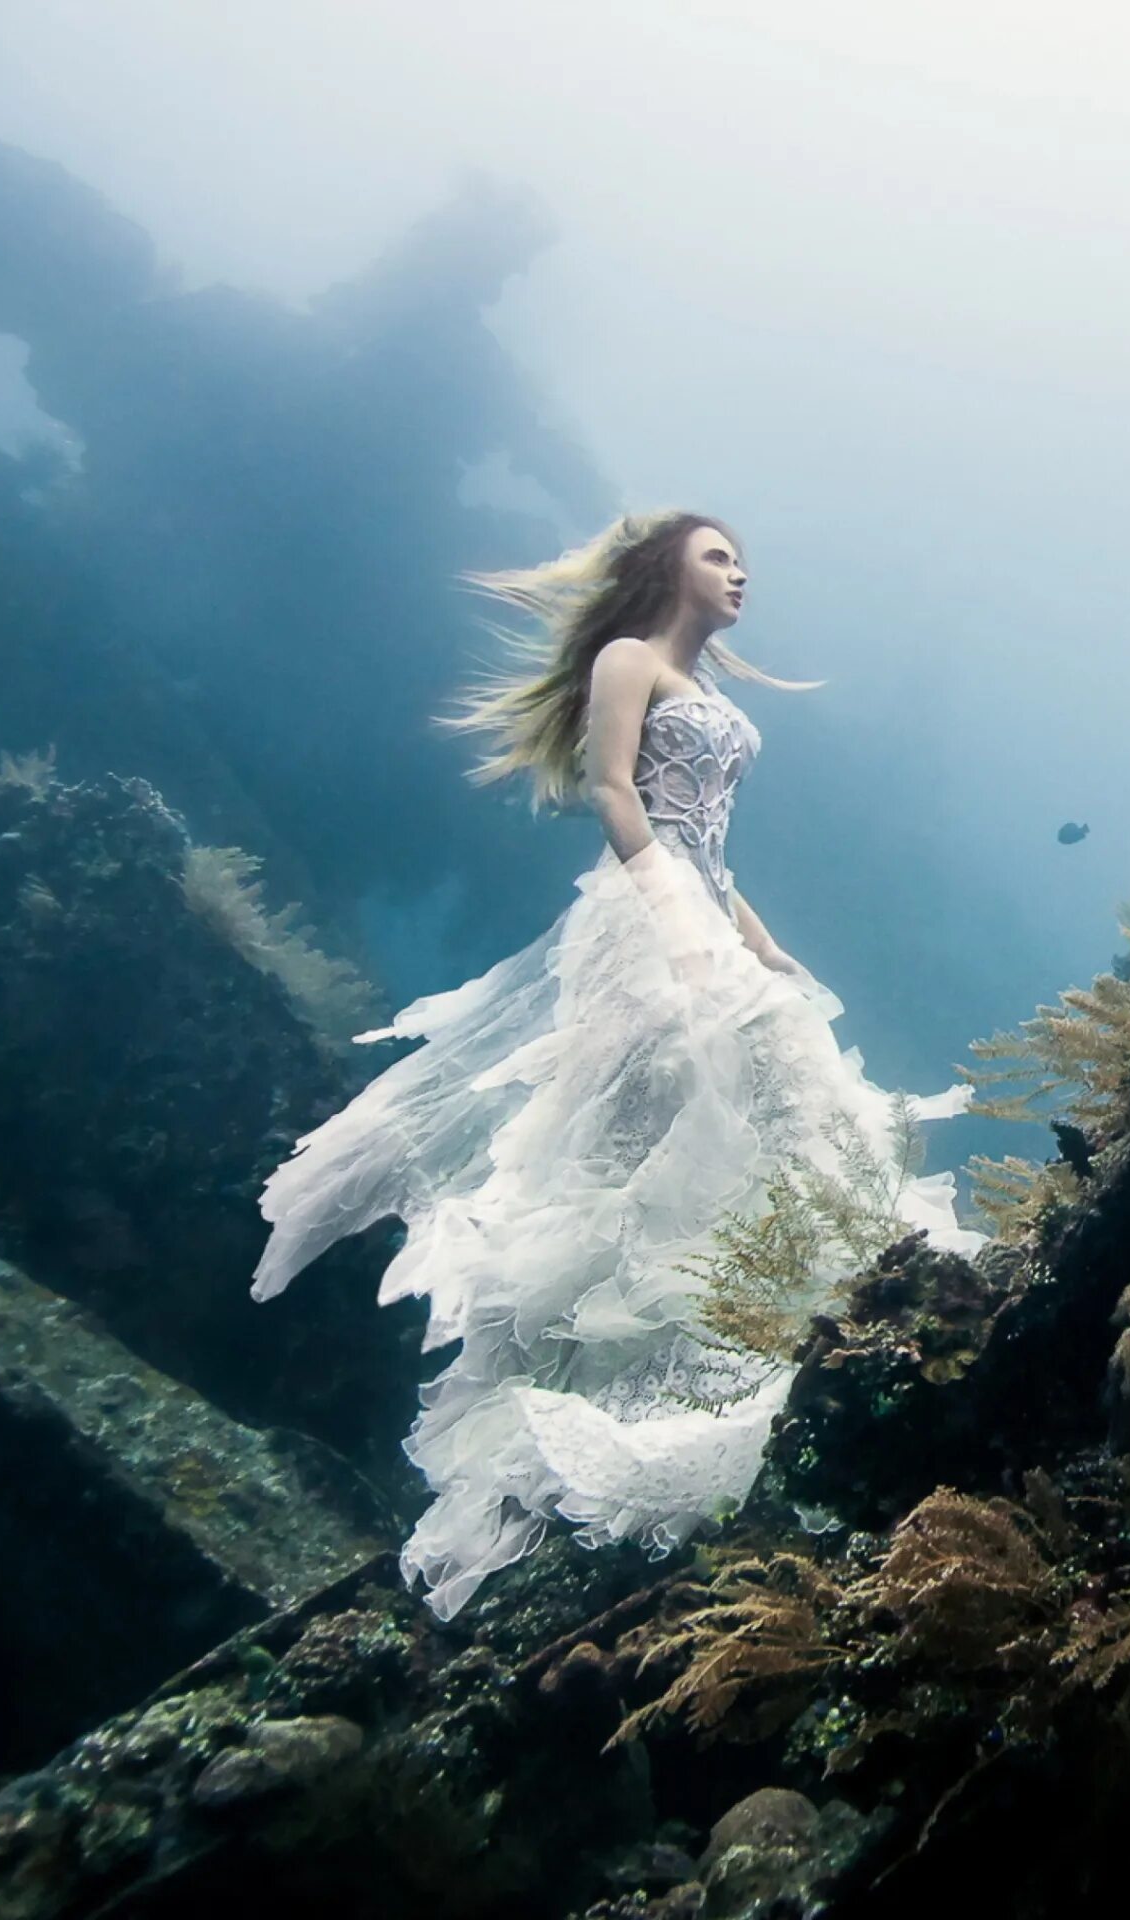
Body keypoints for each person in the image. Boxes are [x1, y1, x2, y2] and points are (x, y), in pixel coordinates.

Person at [252, 510, 982, 1620]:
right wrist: (676, 920)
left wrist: (756, 937)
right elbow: (614, 794)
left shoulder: (710, 692)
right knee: (640, 1147)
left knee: (773, 1112)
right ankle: (581, 1410)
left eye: (742, 559)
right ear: (664, 568)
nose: (739, 574)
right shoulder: (626, 658)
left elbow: (708, 838)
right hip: (642, 926)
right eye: (717, 556)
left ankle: (804, 1329)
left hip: (701, 912)